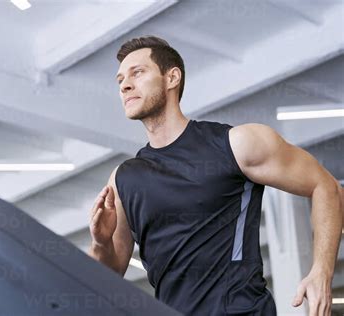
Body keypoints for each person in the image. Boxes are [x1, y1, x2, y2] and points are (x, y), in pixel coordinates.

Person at [87, 36, 341, 315]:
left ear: (172, 78)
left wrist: (321, 271)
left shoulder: (237, 144)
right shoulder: (125, 179)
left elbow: (326, 187)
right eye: (121, 79)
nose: (125, 85)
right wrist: (101, 242)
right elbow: (109, 274)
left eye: (138, 72)